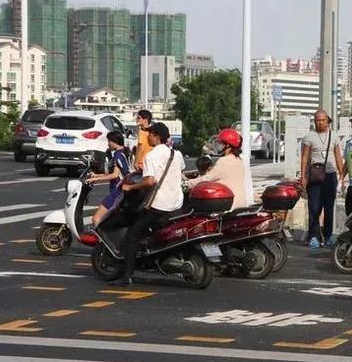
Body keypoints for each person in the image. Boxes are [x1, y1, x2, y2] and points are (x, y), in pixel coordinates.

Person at [118, 122, 185, 286]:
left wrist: (131, 186)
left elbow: (149, 181)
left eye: (150, 133)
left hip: (159, 205)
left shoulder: (152, 156)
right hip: (177, 203)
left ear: (156, 136)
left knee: (133, 235)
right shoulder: (176, 154)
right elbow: (180, 173)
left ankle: (127, 275)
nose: (147, 136)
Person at [300, 109, 344, 249]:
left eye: (322, 120)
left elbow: (338, 157)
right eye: (317, 120)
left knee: (329, 208)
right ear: (314, 121)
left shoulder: (334, 137)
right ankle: (313, 236)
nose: (320, 122)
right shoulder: (309, 137)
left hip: (330, 176)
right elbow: (305, 158)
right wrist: (303, 176)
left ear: (327, 121)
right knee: (314, 208)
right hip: (315, 175)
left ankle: (328, 235)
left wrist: (342, 177)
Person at [187, 129, 247, 210]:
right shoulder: (239, 160)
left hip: (228, 205)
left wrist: (187, 184)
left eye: (221, 143)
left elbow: (207, 179)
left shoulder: (224, 161)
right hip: (241, 203)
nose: (219, 145)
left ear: (228, 145)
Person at [86, 131, 131, 227]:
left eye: (109, 141)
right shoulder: (122, 153)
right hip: (118, 191)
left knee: (96, 218)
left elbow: (115, 175)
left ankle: (101, 240)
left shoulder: (118, 155)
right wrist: (97, 175)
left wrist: (96, 180)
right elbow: (113, 173)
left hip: (117, 192)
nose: (108, 144)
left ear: (114, 141)